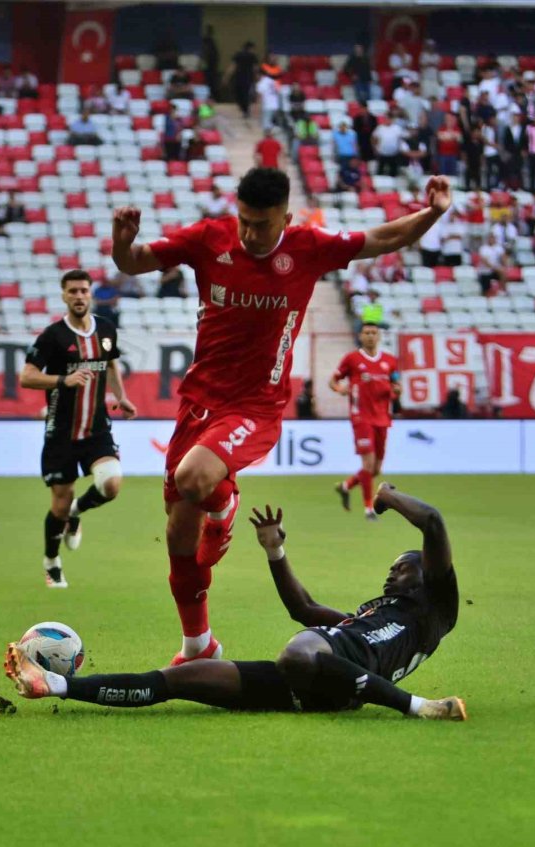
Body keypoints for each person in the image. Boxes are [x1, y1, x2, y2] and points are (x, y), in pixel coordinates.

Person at [111, 167, 452, 663]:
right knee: (178, 532)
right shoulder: (209, 238)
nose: (250, 234)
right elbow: (133, 262)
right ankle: (198, 644)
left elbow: (381, 238)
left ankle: (224, 506)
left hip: (256, 406)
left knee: (193, 477)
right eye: (244, 222)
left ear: (286, 219)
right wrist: (123, 241)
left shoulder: (308, 247)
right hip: (199, 400)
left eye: (262, 225)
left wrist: (432, 213)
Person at [5, 487, 467, 723]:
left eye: (402, 568)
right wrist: (274, 550)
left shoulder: (434, 610)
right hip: (305, 687)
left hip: (322, 668)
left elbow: (432, 521)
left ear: (428, 575)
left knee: (299, 652)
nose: (391, 575)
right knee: (178, 679)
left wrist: (385, 495)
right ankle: (56, 685)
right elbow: (303, 608)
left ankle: (418, 707)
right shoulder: (367, 618)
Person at [20, 269, 137, 588]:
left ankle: (77, 511)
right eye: (72, 291)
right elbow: (27, 376)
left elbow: (110, 363)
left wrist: (121, 397)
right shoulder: (53, 336)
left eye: (83, 290)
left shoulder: (106, 329)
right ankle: (51, 562)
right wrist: (63, 380)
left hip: (97, 429)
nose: (79, 296)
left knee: (111, 484)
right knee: (57, 505)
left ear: (90, 294)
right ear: (64, 296)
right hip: (61, 433)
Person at [331, 323, 400, 521]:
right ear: (360, 336)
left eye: (373, 333)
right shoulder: (352, 359)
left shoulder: (390, 361)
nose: (370, 336)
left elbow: (396, 384)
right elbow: (333, 381)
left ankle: (346, 486)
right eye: (366, 333)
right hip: (361, 417)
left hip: (382, 418)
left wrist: (397, 389)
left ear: (379, 336)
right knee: (368, 465)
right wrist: (340, 389)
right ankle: (369, 509)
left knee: (376, 469)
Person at [225, 42, 259, 121]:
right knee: (246, 94)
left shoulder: (238, 55)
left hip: (238, 77)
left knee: (238, 93)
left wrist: (226, 77)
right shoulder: (252, 56)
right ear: (251, 48)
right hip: (248, 78)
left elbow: (232, 66)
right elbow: (255, 68)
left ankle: (243, 108)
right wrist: (257, 78)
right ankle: (245, 110)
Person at [201, 25, 220, 101]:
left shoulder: (210, 43)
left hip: (211, 67)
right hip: (209, 68)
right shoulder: (207, 42)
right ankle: (210, 98)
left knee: (212, 83)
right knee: (209, 83)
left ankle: (212, 97)